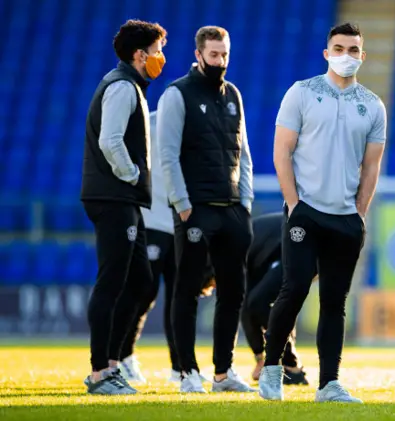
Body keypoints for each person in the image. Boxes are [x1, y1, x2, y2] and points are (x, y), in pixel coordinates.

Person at [259, 22, 387, 403]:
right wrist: (294, 204)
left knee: (334, 301)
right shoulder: (302, 93)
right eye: (338, 47)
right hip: (306, 211)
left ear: (362, 56)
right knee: (294, 288)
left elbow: (371, 167)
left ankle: (329, 383)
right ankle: (270, 371)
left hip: (345, 218)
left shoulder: (373, 105)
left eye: (352, 50)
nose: (345, 55)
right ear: (326, 52)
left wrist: (359, 213)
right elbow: (281, 151)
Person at [158, 25, 255, 394]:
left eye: (225, 55)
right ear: (198, 54)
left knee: (233, 293)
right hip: (195, 210)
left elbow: (242, 152)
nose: (220, 62)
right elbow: (167, 155)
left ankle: (223, 372)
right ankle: (187, 372)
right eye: (214, 55)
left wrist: (244, 205)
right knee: (187, 291)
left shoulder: (234, 94)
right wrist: (183, 207)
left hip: (231, 210)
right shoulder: (177, 94)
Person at [80, 19, 167, 395]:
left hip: (125, 199)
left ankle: (113, 364)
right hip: (115, 196)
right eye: (157, 50)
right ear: (139, 54)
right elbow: (110, 140)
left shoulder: (129, 86)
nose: (160, 58)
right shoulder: (122, 87)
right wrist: (131, 175)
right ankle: (101, 372)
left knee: (141, 281)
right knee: (112, 282)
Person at [116, 111, 209, 385]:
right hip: (151, 220)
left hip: (179, 222)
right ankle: (121, 358)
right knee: (142, 291)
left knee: (180, 296)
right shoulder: (148, 122)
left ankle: (180, 367)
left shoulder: (192, 125)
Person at [240, 212, 311, 386]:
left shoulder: (233, 255)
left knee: (260, 301)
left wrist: (260, 357)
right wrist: (258, 356)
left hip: (301, 245)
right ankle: (289, 363)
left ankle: (292, 364)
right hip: (285, 246)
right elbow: (246, 308)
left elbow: (249, 305)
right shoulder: (245, 254)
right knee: (262, 302)